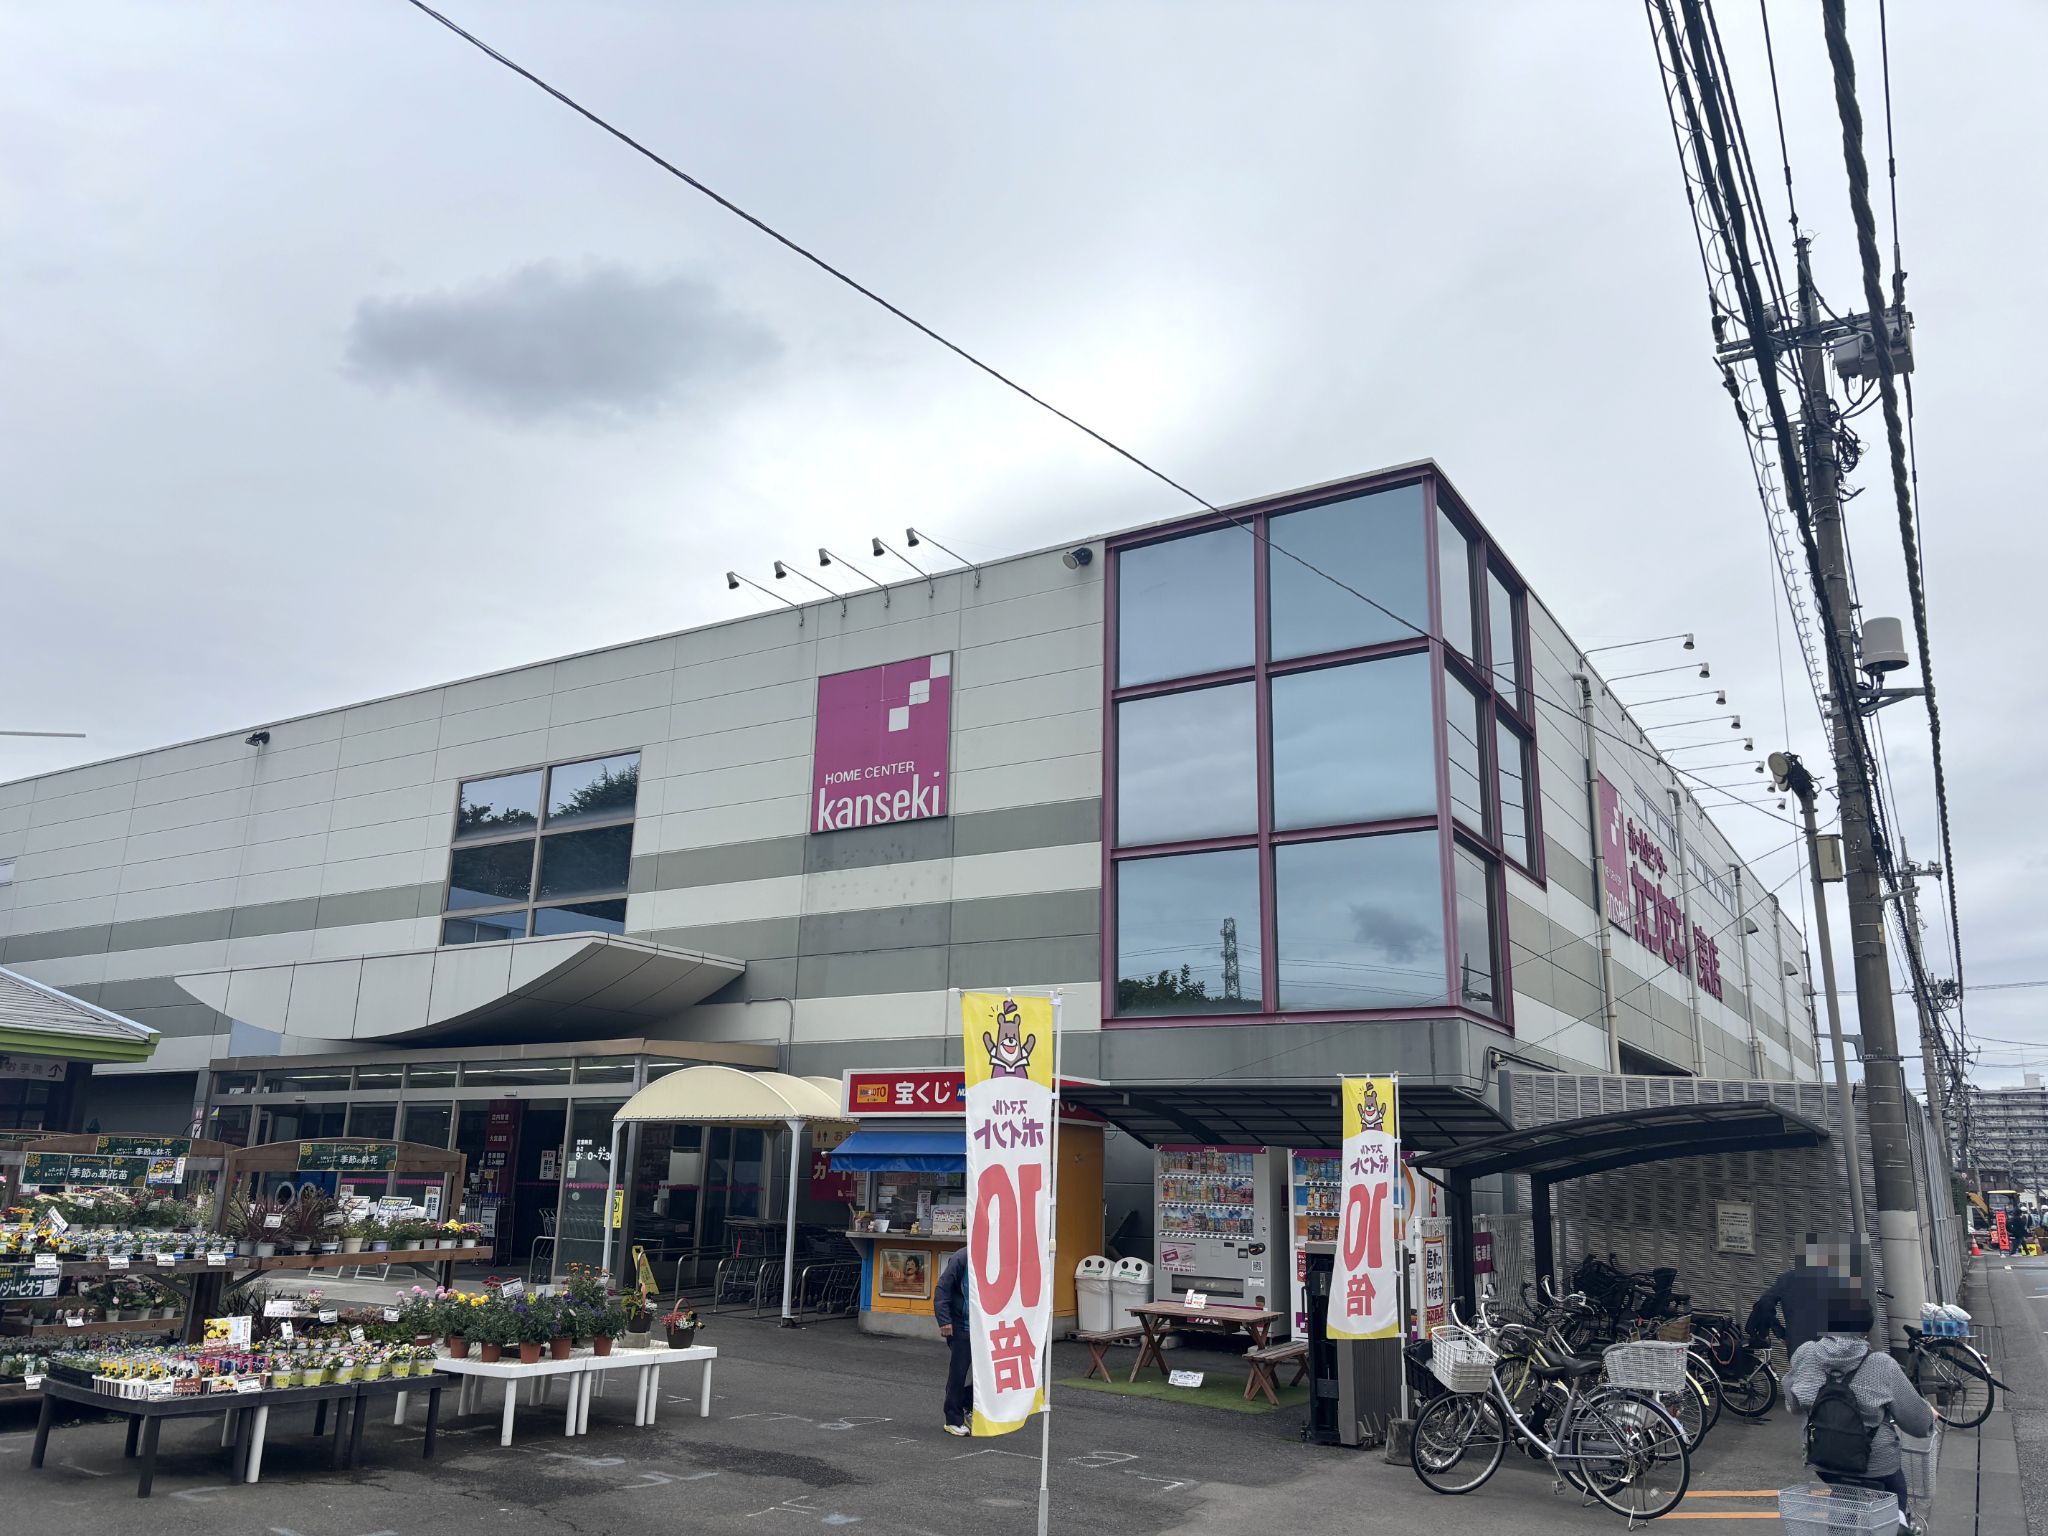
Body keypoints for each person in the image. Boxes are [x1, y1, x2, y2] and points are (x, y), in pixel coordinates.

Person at [1784, 1294, 1933, 1523]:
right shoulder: (1882, 1364)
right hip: (1877, 1464)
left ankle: (1842, 1526)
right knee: (1895, 1495)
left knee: (1841, 1497)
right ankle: (1896, 1524)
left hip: (1823, 1457)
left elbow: (1794, 1406)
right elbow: (1918, 1423)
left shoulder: (1805, 1354)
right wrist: (1929, 1415)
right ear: (1866, 1327)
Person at [1747, 1236, 1842, 1354]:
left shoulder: (1786, 1279)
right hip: (1830, 1347)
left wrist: (1780, 1332)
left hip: (1798, 1346)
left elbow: (1764, 1303)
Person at [934, 1246, 972, 1437]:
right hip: (961, 1325)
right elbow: (943, 1289)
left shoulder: (996, 1255)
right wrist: (944, 1320)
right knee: (958, 1372)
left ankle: (966, 1402)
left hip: (986, 1328)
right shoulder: (962, 1257)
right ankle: (953, 1419)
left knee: (989, 1373)